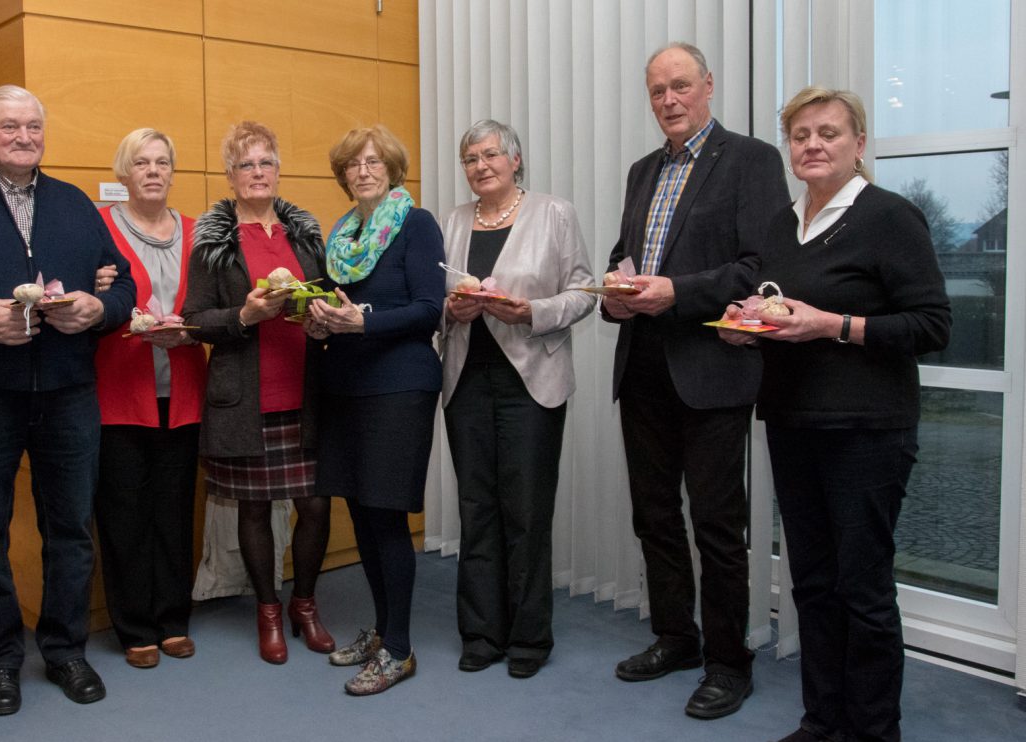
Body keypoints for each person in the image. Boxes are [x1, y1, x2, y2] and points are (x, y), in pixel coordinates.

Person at [718, 87, 950, 742]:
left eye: (828, 133)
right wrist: (746, 328)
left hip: (868, 432)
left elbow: (933, 325)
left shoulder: (889, 217)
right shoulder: (778, 225)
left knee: (864, 591)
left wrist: (833, 325)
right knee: (814, 586)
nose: (813, 145)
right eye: (801, 135)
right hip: (794, 424)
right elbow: (778, 314)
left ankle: (874, 732)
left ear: (859, 144)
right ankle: (823, 723)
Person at [0, 85, 135, 715]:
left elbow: (122, 290)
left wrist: (98, 309)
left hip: (68, 393)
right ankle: (2, 658)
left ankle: (65, 650)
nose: (24, 136)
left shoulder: (74, 205)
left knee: (70, 530)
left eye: (34, 126)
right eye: (8, 126)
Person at [600, 41, 789, 719]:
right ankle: (675, 638)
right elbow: (627, 256)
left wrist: (675, 291)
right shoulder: (641, 171)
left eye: (681, 86)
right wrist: (614, 291)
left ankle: (728, 663)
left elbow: (760, 268)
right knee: (653, 517)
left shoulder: (752, 160)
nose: (669, 101)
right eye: (657, 91)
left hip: (711, 372)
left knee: (716, 526)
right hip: (643, 366)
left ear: (708, 85)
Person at [440, 119, 596, 680]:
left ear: (516, 159)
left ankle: (529, 638)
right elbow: (437, 299)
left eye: (490, 155)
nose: (481, 166)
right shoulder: (455, 221)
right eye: (470, 159)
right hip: (465, 382)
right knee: (476, 510)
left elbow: (584, 291)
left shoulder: (554, 213)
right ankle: (481, 632)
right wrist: (451, 311)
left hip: (531, 381)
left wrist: (531, 312)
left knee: (526, 512)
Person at [182, 120, 334, 665]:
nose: (257, 172)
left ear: (278, 169)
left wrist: (322, 318)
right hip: (246, 398)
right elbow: (195, 320)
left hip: (307, 390)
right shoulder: (213, 241)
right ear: (230, 175)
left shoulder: (306, 235)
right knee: (254, 508)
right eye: (246, 164)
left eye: (265, 162)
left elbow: (328, 299)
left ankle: (305, 603)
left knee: (315, 505)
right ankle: (268, 610)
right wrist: (244, 315)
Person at [308, 125, 445, 694]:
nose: (363, 170)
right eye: (353, 164)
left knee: (386, 515)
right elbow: (334, 306)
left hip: (399, 386)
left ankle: (400, 649)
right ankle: (384, 629)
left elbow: (427, 310)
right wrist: (316, 319)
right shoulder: (341, 234)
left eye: (373, 161)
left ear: (392, 169)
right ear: (343, 175)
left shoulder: (416, 225)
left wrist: (362, 321)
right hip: (345, 385)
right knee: (361, 513)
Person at [91, 128, 206, 669]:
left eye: (163, 161)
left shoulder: (197, 230)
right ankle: (134, 624)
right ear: (124, 172)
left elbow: (210, 305)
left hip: (183, 390)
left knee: (175, 509)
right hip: (120, 391)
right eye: (142, 162)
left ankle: (173, 619)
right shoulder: (99, 228)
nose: (154, 171)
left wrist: (192, 330)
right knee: (124, 513)